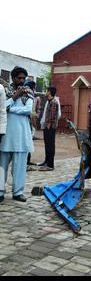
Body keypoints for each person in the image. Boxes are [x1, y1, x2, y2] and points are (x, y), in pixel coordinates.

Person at [0, 67, 34, 202]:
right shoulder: (5, 91)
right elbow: (2, 108)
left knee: (20, 167)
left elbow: (28, 110)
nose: (21, 80)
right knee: (2, 165)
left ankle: (18, 192)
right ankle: (1, 191)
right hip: (7, 135)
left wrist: (11, 107)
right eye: (18, 78)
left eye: (23, 78)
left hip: (22, 135)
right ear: (12, 78)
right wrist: (14, 97)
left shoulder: (29, 92)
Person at [39, 87, 61, 171]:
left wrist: (48, 126)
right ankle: (46, 161)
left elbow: (52, 117)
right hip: (47, 126)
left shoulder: (54, 102)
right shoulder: (49, 101)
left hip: (50, 127)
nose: (45, 92)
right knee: (47, 144)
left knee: (50, 145)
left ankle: (50, 165)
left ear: (49, 92)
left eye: (46, 91)